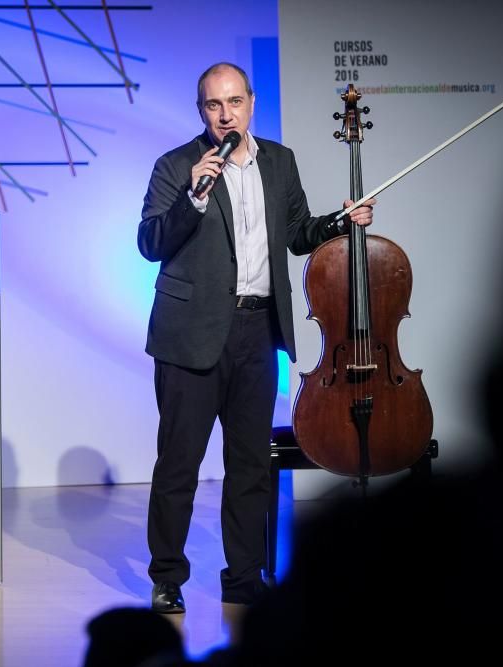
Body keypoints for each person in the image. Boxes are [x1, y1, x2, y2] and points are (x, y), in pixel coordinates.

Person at [137, 62, 374, 612]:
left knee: (249, 464)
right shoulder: (176, 166)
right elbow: (150, 243)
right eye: (214, 106)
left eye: (234, 103)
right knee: (179, 464)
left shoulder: (280, 161)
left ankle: (243, 577)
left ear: (251, 103)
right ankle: (167, 577)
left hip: (257, 329)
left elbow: (296, 235)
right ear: (201, 111)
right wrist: (194, 196)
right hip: (190, 335)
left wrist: (340, 222)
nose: (226, 115)